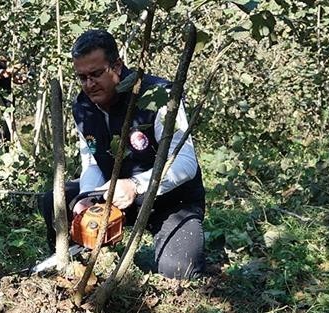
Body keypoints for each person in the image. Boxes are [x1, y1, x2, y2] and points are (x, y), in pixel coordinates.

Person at [40, 30, 206, 279]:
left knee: (178, 270)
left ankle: (168, 252)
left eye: (96, 74)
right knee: (55, 199)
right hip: (112, 196)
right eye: (82, 77)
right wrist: (88, 197)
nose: (89, 84)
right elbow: (92, 162)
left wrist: (136, 186)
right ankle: (73, 260)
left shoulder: (158, 96)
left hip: (171, 201)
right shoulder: (83, 108)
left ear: (117, 66)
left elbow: (185, 162)